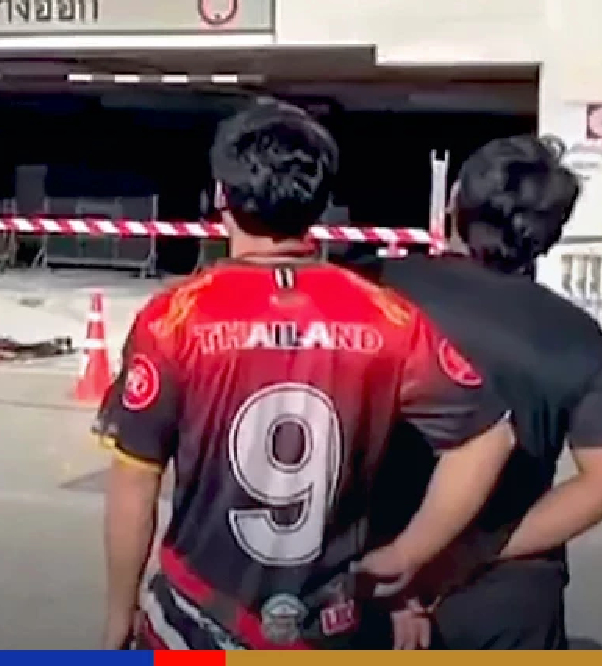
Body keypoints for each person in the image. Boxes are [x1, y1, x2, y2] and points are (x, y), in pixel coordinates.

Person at [94, 99, 517, 651]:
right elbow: (490, 437)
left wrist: (118, 613)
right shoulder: (386, 316)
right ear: (321, 202)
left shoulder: (175, 317)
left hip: (194, 616)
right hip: (327, 623)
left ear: (221, 196)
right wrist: (411, 552)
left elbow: (135, 478)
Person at [363, 135, 602, 650]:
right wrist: (475, 552)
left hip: (370, 577)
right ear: (550, 236)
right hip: (509, 595)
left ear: (453, 206)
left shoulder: (373, 291)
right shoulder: (578, 336)